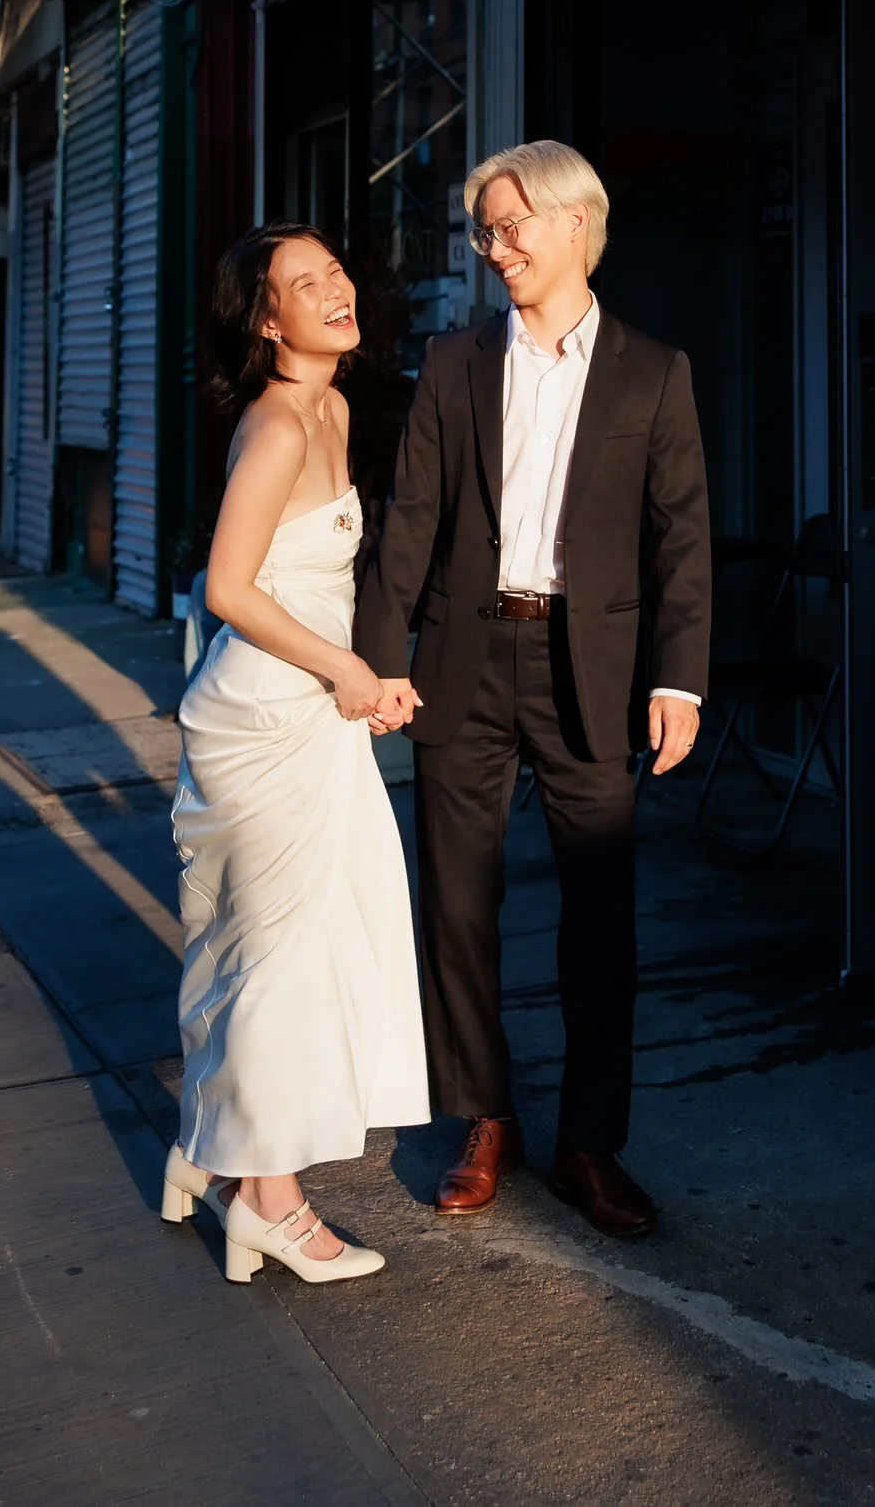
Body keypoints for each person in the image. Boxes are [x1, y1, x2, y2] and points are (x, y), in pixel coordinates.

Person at [355, 140, 712, 1239]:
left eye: (509, 226)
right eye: (483, 230)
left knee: (598, 917)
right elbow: (409, 516)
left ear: (570, 226)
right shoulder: (454, 361)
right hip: (465, 658)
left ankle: (589, 1143)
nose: (493, 247)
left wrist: (678, 680)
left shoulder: (654, 371)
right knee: (455, 902)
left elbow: (680, 541)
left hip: (591, 672)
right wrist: (378, 658)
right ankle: (485, 1117)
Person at [166, 225, 429, 1287]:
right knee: (276, 960)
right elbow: (227, 588)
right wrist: (344, 670)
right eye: (302, 283)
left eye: (335, 272)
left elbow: (310, 581)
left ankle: (208, 1154)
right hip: (270, 712)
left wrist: (364, 670)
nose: (333, 290)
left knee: (263, 950)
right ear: (266, 319)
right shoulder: (278, 421)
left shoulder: (334, 406)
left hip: (311, 698)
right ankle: (269, 1203)